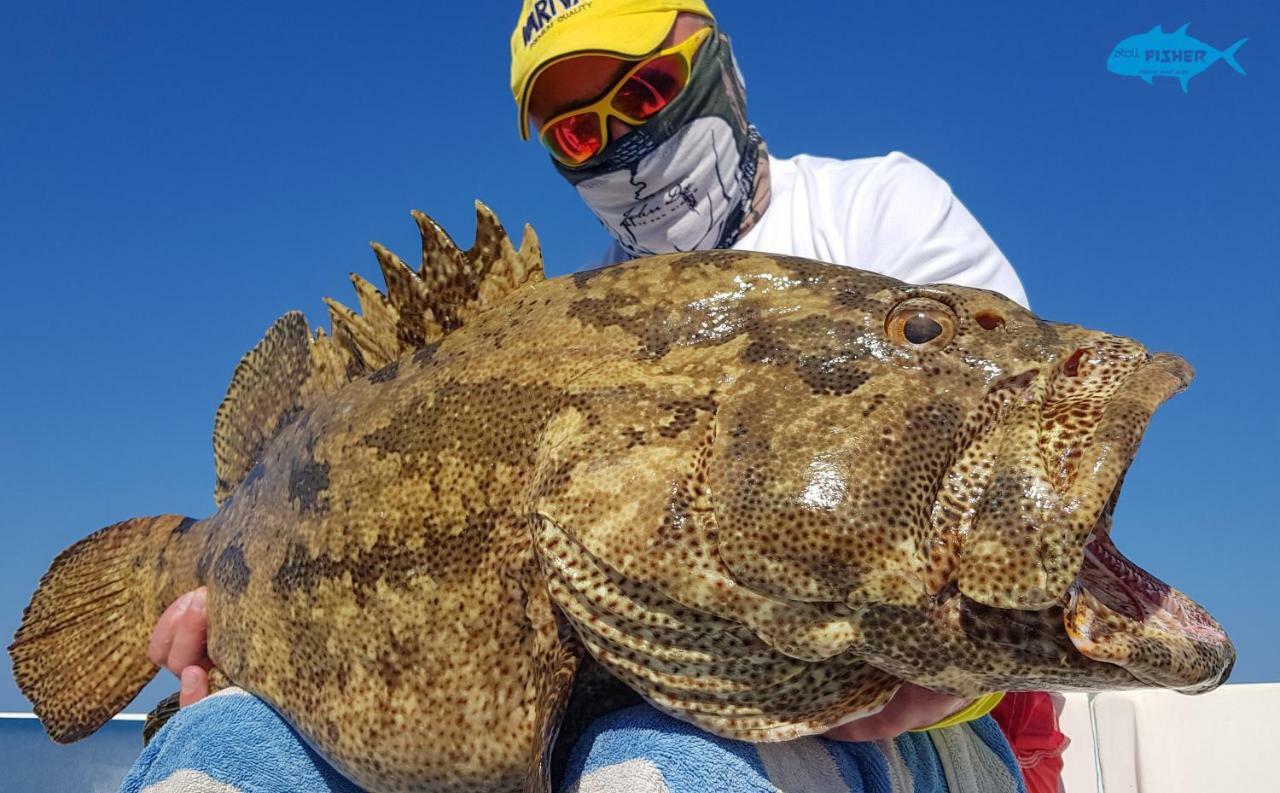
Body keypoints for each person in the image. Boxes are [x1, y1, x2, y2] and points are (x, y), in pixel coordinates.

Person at [139, 2, 1063, 790]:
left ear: (719, 66)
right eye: (580, 132)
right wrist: (254, 625)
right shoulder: (557, 331)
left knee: (658, 758)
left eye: (647, 91)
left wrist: (955, 665)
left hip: (924, 729)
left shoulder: (878, 213)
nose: (623, 138)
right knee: (213, 753)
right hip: (559, 727)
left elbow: (1017, 487)